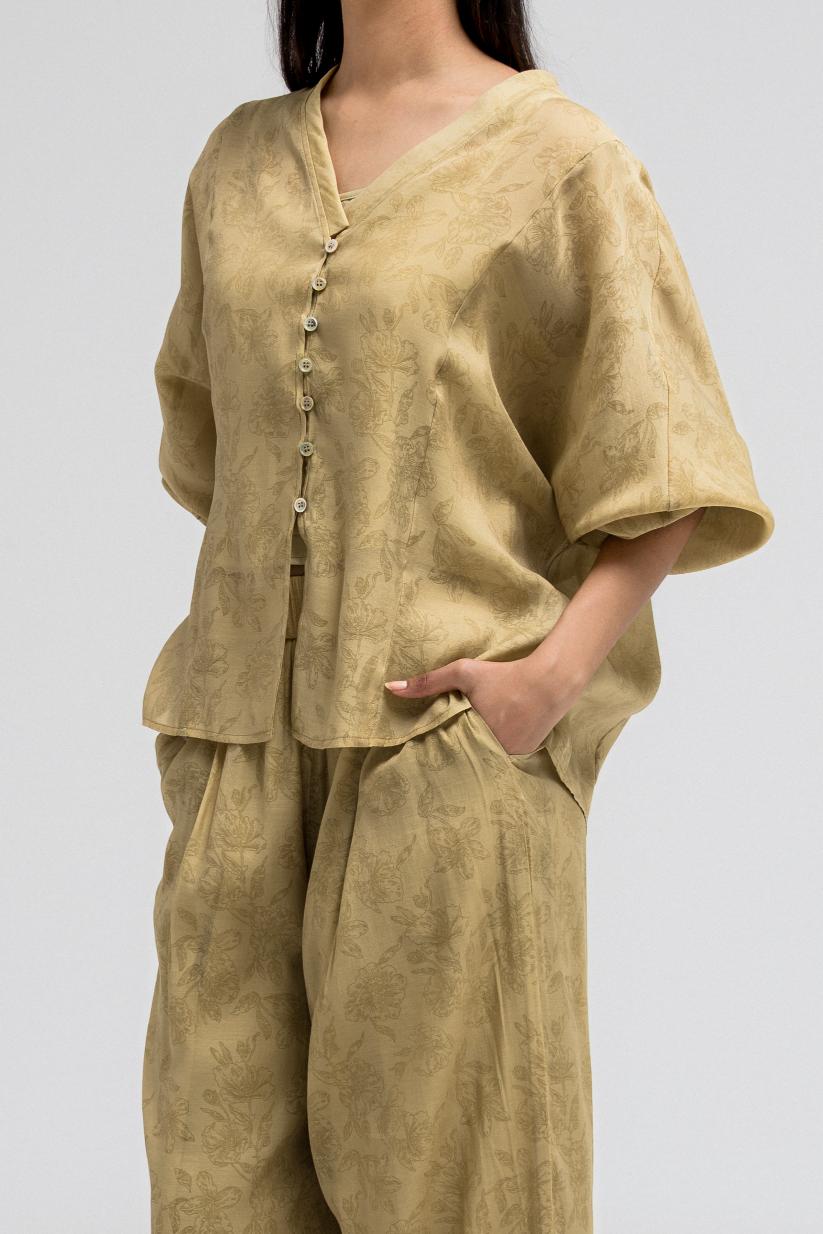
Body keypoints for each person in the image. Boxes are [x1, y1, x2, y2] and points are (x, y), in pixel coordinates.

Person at [139, 2, 775, 1231]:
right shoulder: (236, 164)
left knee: (463, 1197)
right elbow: (213, 451)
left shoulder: (562, 160)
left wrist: (543, 684)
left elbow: (665, 463)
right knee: (213, 1185)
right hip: (236, 762)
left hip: (446, 762)